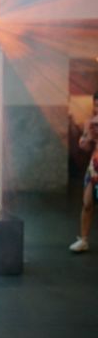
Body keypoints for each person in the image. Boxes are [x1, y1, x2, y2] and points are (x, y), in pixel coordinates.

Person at [69, 92, 98, 253]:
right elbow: (84, 147)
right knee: (87, 203)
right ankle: (84, 239)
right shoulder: (90, 123)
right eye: (96, 105)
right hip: (94, 167)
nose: (97, 108)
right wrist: (88, 137)